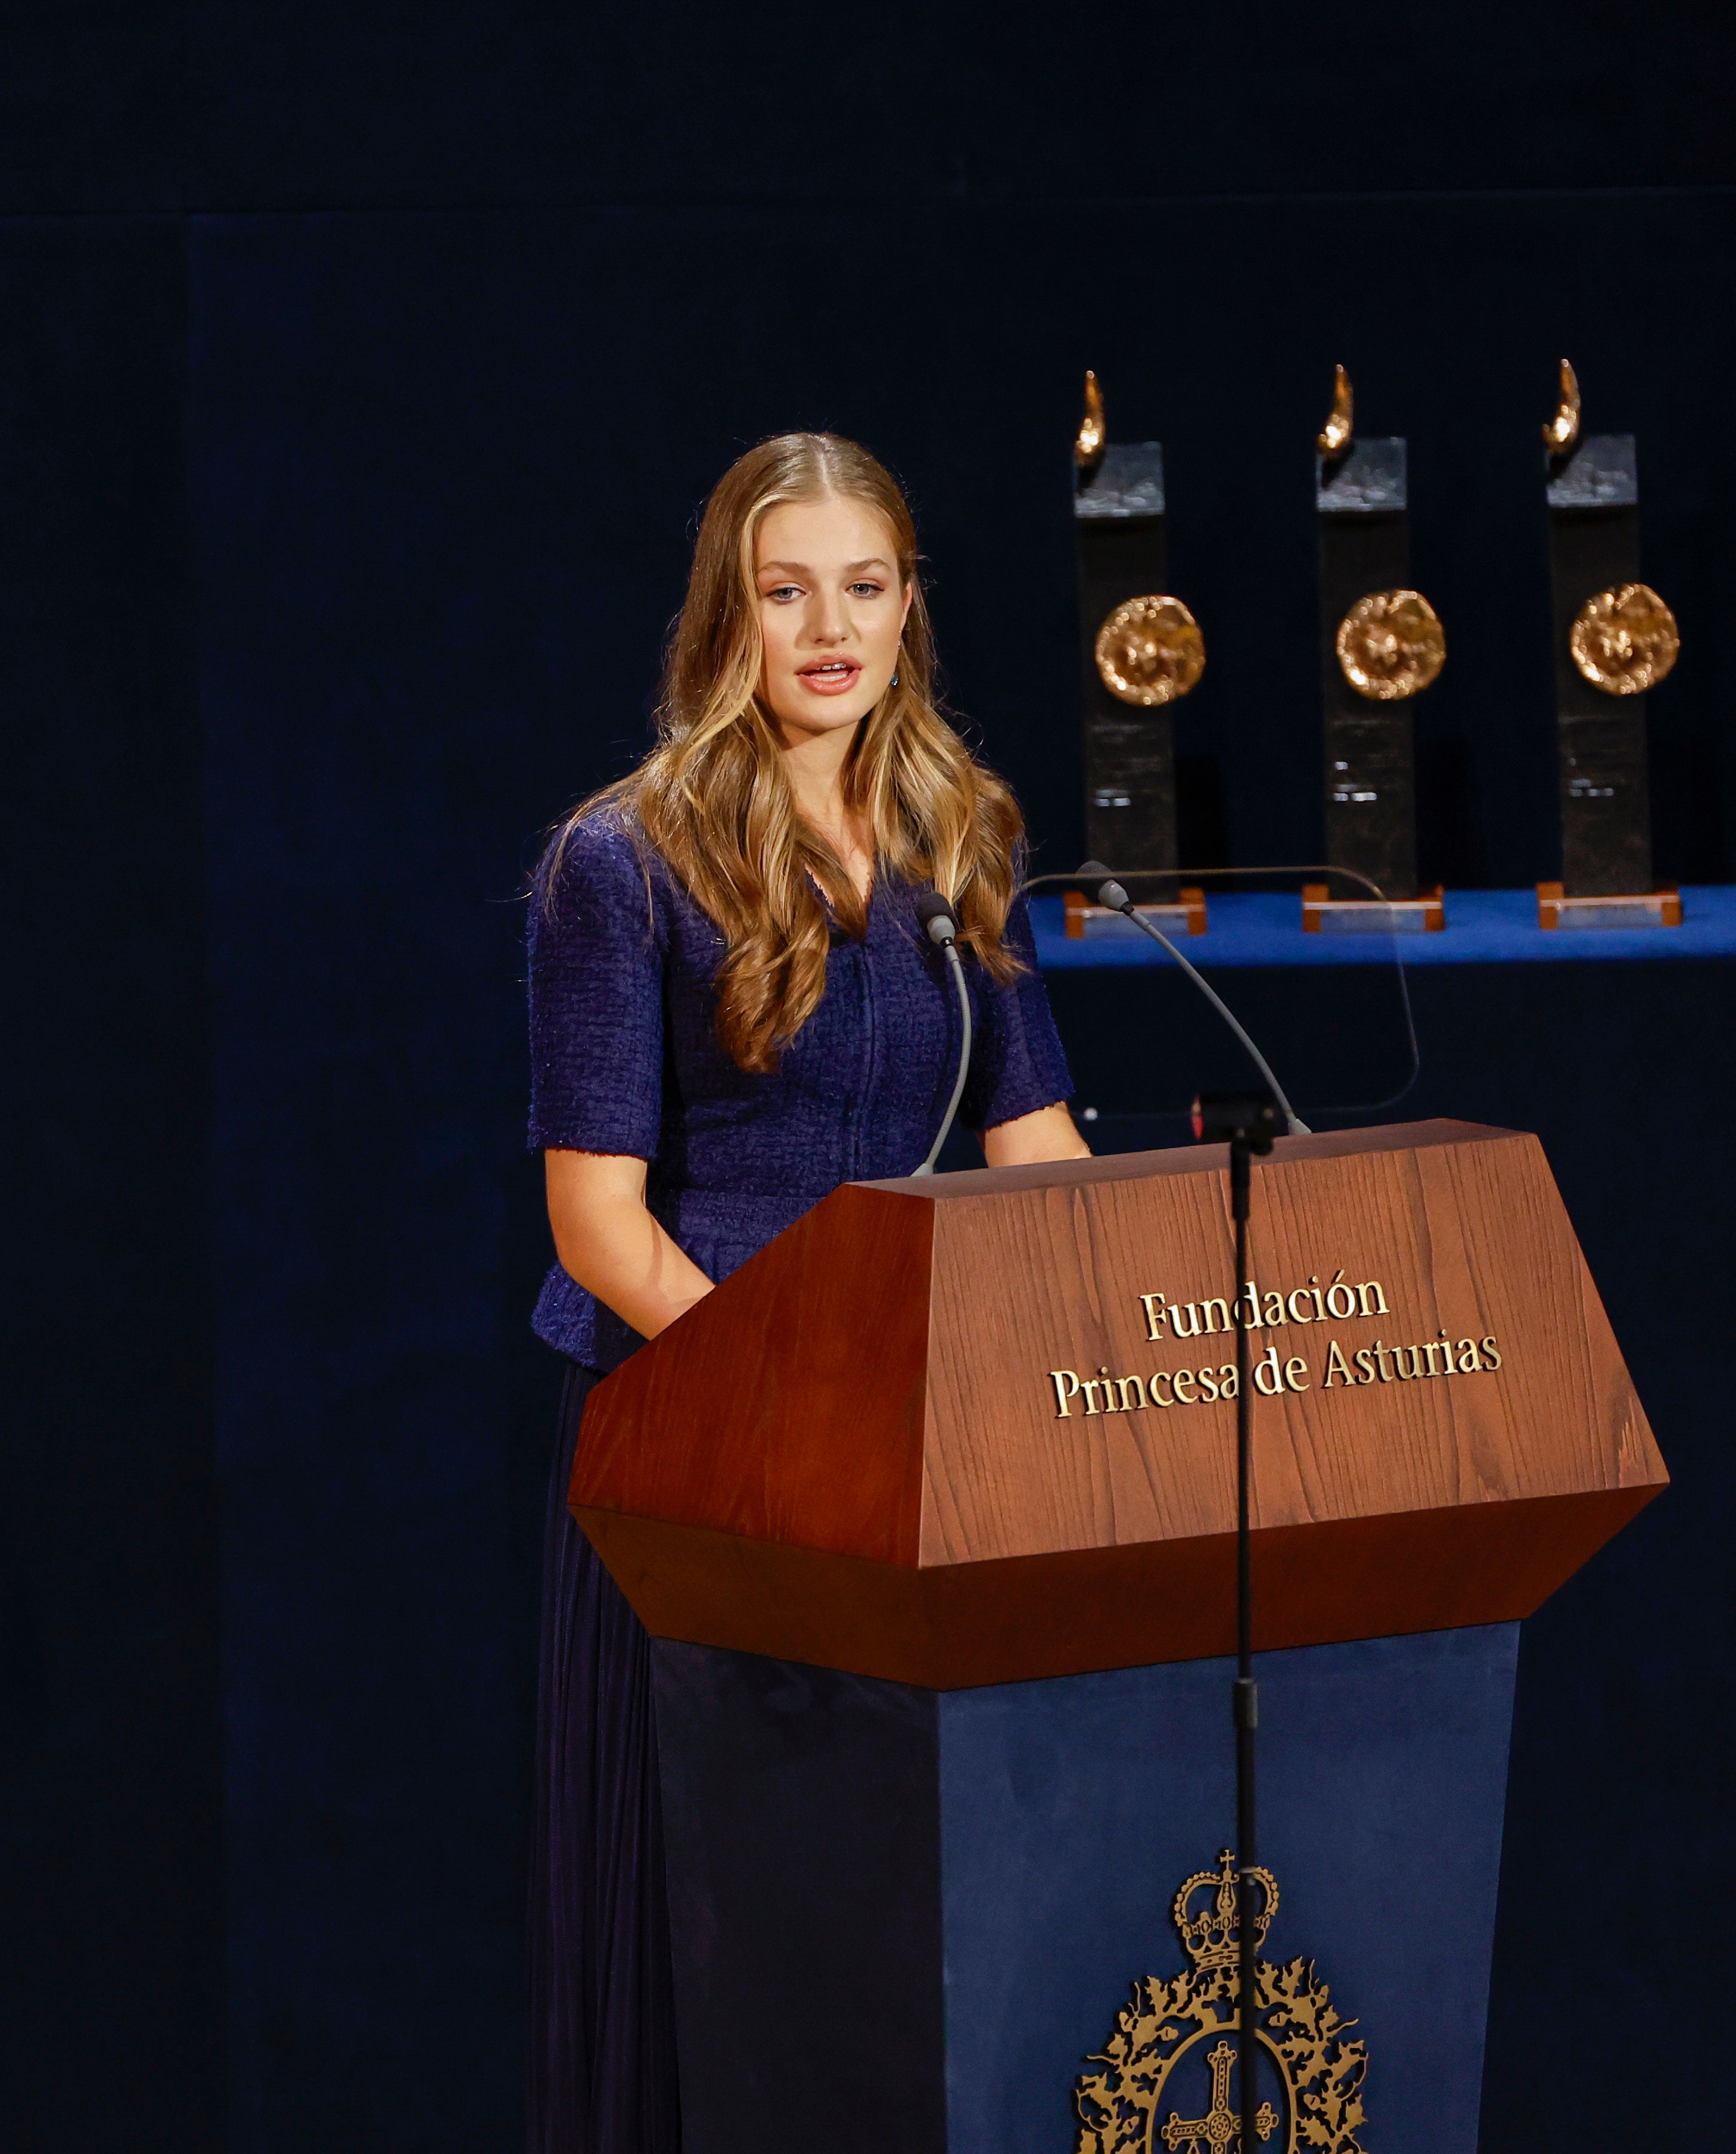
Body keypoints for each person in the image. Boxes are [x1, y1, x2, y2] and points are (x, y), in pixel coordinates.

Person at [522, 431, 1085, 2150]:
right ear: (730, 619)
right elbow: (598, 1227)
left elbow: (1041, 1147)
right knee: (718, 1934)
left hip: (927, 1466)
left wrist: (1080, 1363)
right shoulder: (618, 866)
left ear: (911, 608)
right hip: (705, 1450)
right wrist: (806, 1394)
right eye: (786, 593)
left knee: (900, 1946)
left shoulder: (956, 839)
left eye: (864, 586)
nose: (828, 628)